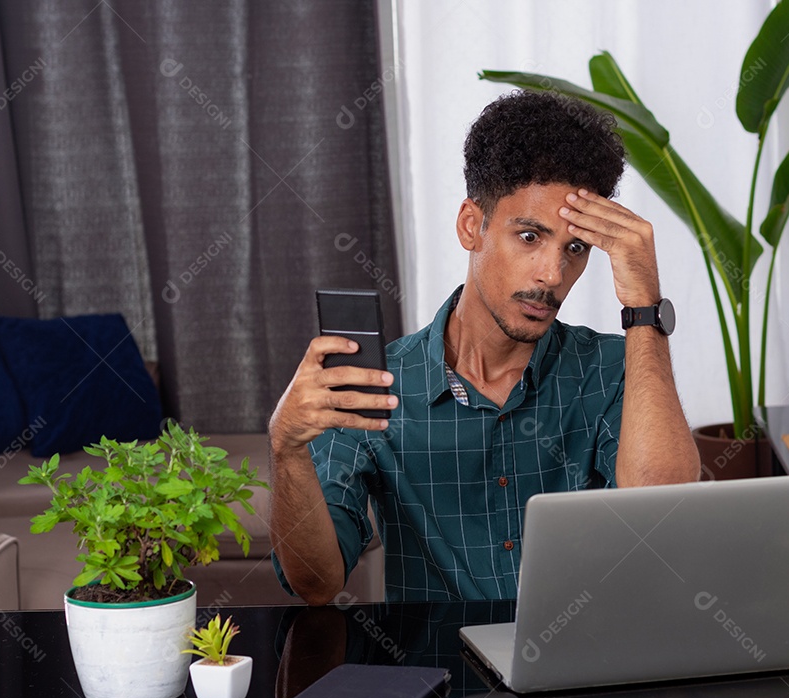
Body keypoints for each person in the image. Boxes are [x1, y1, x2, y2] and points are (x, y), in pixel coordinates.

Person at [269, 90, 700, 605]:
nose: (552, 275)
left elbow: (662, 512)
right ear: (473, 225)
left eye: (575, 248)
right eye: (529, 237)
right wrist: (286, 448)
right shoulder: (377, 386)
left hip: (586, 673)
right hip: (440, 675)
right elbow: (317, 584)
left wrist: (644, 305)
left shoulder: (613, 368)